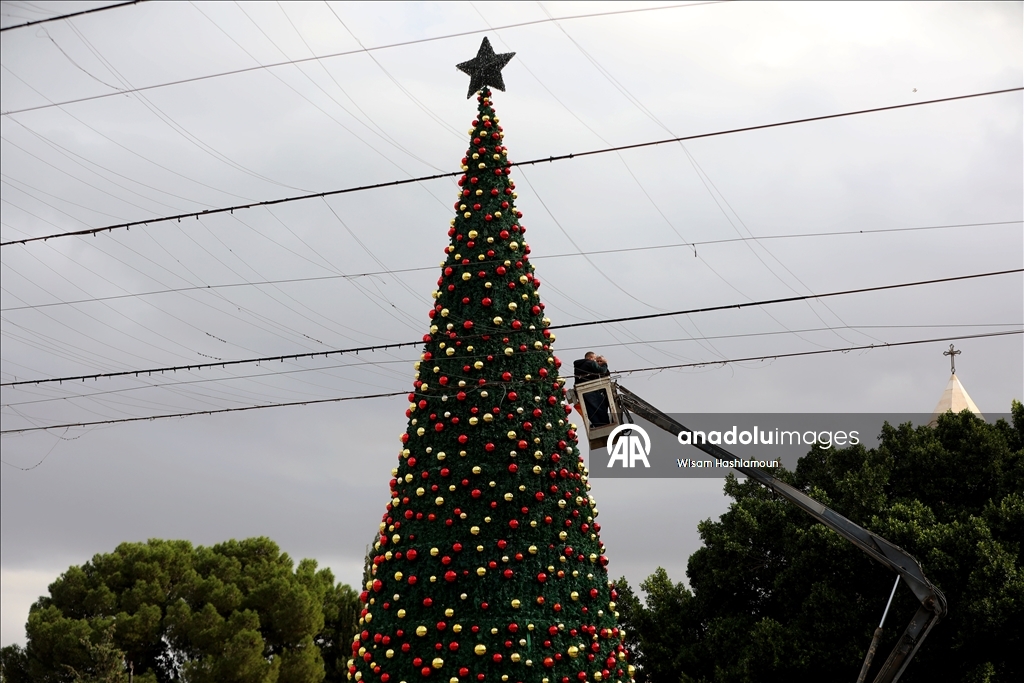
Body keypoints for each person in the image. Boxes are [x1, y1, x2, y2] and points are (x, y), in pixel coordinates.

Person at [573, 352, 611, 427]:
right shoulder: (590, 363)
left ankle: (598, 425)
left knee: (590, 411)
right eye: (595, 359)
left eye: (600, 361)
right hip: (591, 390)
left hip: (582, 392)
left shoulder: (578, 365)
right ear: (590, 358)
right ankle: (605, 425)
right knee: (600, 409)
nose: (596, 361)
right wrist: (605, 364)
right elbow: (602, 371)